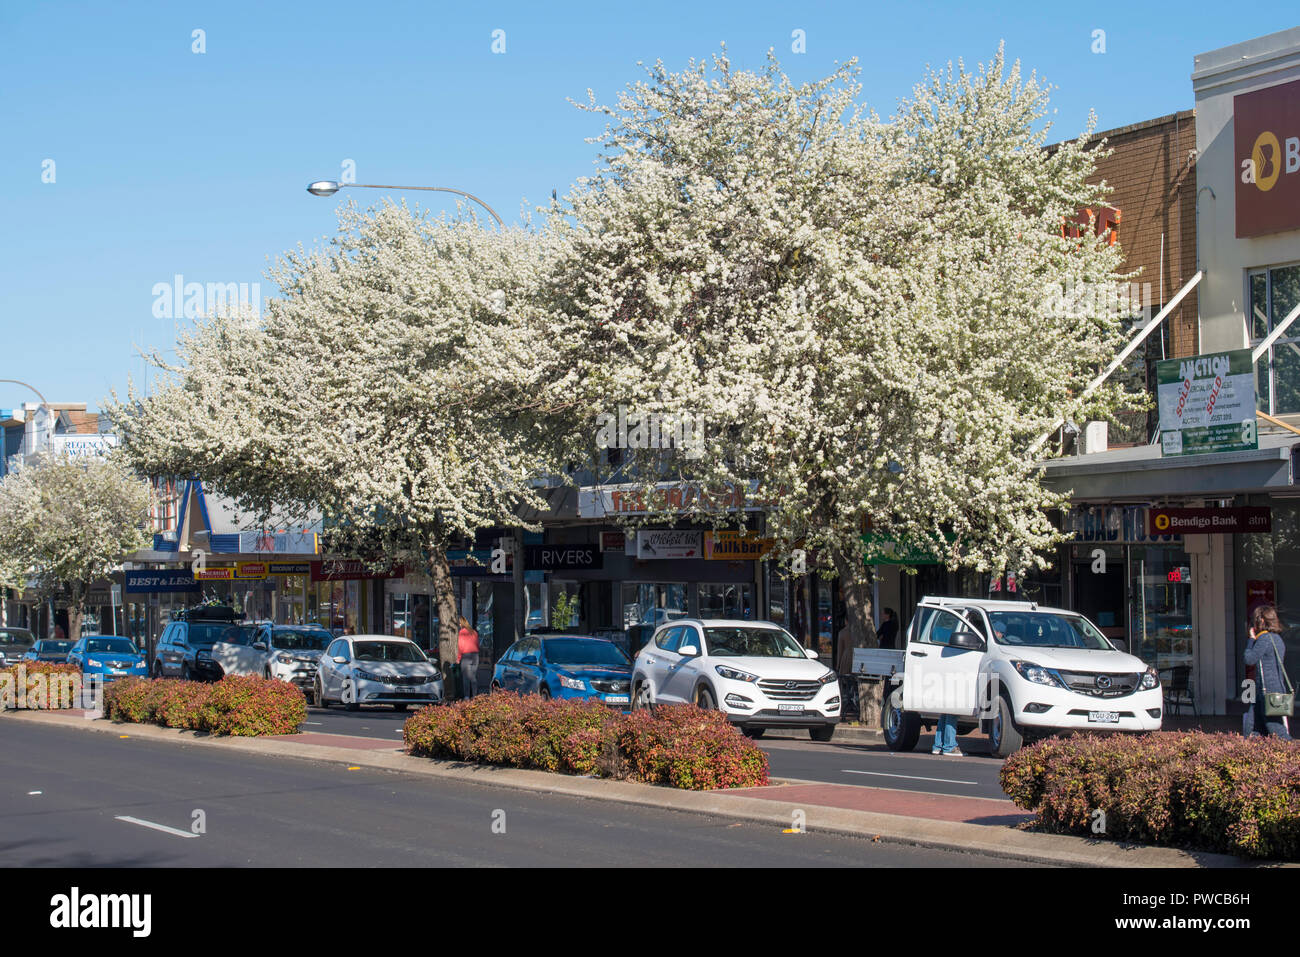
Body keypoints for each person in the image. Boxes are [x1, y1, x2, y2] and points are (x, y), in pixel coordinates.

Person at [1243, 604, 1292, 740]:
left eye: (1255, 621)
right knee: (1253, 729)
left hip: (1267, 691)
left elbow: (1249, 659)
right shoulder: (1277, 638)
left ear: (1262, 621)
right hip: (1269, 689)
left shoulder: (1264, 639)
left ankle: (1293, 754)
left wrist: (1251, 640)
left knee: (1277, 731)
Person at [457, 615, 480, 699]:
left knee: (466, 677)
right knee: (473, 676)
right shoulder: (474, 632)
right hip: (475, 656)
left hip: (466, 656)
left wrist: (458, 658)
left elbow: (460, 646)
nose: (459, 625)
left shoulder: (462, 632)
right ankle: (475, 695)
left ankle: (467, 696)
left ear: (461, 624)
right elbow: (477, 644)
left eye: (459, 624)